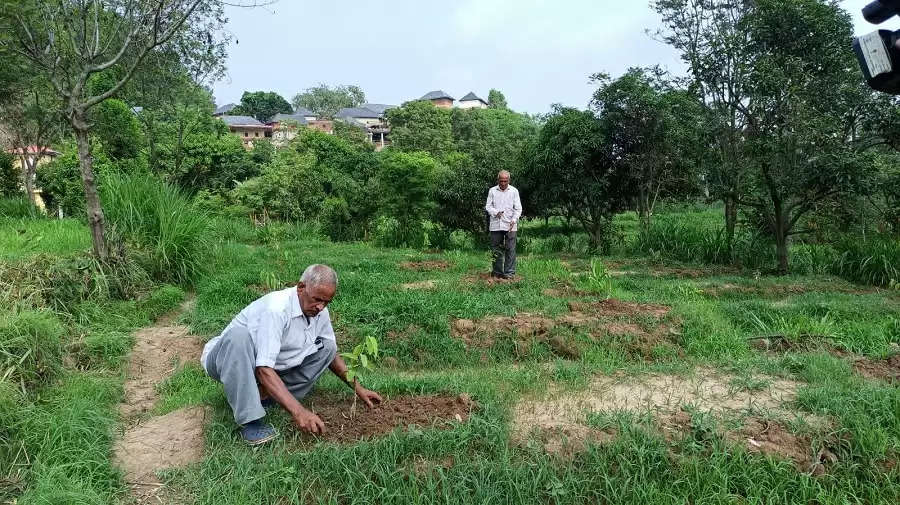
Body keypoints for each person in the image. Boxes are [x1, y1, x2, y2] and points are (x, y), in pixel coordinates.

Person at [200, 264, 382, 445]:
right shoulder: (277, 309)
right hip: (228, 357)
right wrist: (299, 412)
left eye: (326, 302)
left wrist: (358, 388)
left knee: (327, 347)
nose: (320, 307)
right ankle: (250, 421)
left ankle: (267, 397)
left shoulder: (319, 312)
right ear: (301, 287)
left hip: (270, 363)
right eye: (317, 299)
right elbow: (263, 368)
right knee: (239, 336)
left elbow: (331, 354)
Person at [484, 170, 522, 279]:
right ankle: (497, 273)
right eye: (501, 181)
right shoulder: (492, 191)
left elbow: (518, 208)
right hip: (496, 225)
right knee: (496, 249)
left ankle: (509, 274)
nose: (503, 183)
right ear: (498, 180)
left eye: (505, 181)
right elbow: (488, 206)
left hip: (510, 225)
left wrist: (514, 220)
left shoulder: (514, 191)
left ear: (509, 180)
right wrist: (496, 212)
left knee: (510, 249)